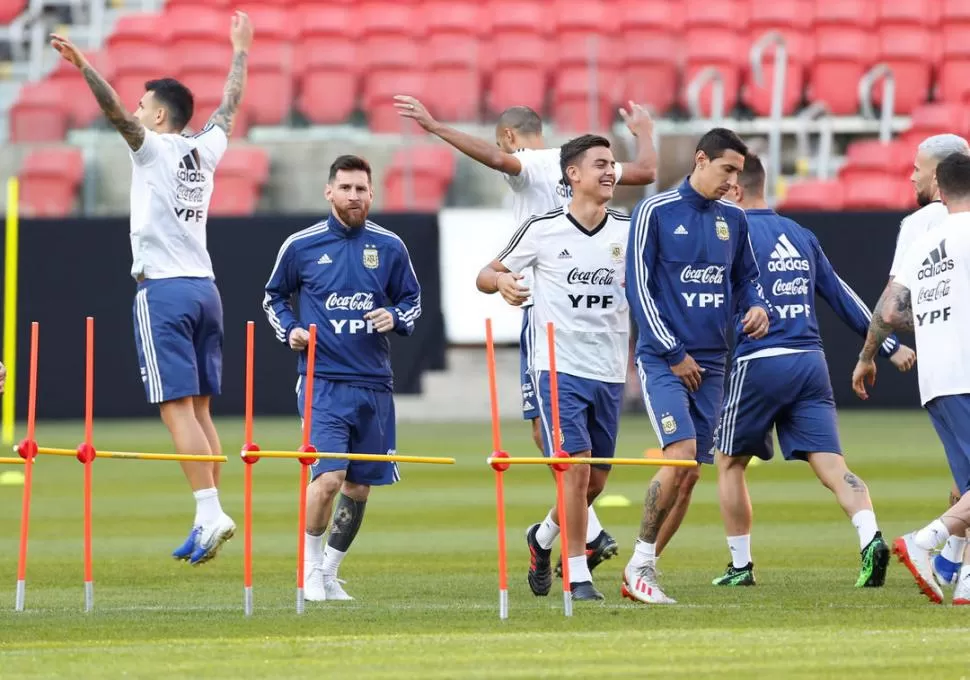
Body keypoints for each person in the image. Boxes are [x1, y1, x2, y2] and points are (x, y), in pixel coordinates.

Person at [395, 95, 657, 576]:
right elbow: (643, 170)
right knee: (563, 447)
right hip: (557, 315)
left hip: (544, 308)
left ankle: (553, 533)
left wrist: (435, 127)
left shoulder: (536, 164)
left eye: (504, 143)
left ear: (511, 136)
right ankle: (584, 537)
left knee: (552, 441)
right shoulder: (591, 166)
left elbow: (496, 159)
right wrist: (643, 131)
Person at [49, 13, 252, 565]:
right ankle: (206, 514)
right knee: (202, 409)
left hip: (162, 290)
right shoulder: (206, 149)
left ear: (159, 115)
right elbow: (228, 105)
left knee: (174, 408)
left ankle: (210, 511)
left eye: (145, 106)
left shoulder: (153, 148)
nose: (136, 111)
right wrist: (240, 50)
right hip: (207, 289)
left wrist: (85, 65)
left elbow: (115, 113)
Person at [713, 155, 916, 588]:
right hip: (810, 363)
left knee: (729, 462)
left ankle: (740, 567)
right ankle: (869, 539)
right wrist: (891, 346)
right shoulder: (800, 234)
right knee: (832, 465)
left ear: (735, 189)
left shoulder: (727, 234)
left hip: (760, 361)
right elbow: (842, 296)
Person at [476, 135, 631, 601]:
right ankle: (578, 575)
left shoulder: (630, 230)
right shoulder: (543, 228)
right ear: (573, 175)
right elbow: (485, 274)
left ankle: (541, 539)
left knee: (595, 481)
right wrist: (502, 281)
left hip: (609, 368)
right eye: (600, 164)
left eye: (613, 164)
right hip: (557, 366)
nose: (610, 172)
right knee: (575, 469)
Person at [622, 128, 771, 604]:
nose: (732, 181)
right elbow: (638, 288)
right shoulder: (655, 212)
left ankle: (646, 569)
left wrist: (757, 306)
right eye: (726, 170)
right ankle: (638, 562)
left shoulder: (734, 218)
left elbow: (746, 279)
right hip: (665, 359)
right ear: (701, 160)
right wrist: (672, 352)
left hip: (713, 363)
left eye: (738, 173)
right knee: (680, 454)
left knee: (690, 474)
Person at [263, 155, 421, 602]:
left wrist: (393, 316)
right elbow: (273, 297)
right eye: (346, 188)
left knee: (359, 486)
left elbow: (412, 300)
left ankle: (330, 572)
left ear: (372, 194)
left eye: (361, 189)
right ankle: (309, 570)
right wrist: (289, 329)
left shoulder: (389, 246)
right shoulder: (302, 245)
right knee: (329, 477)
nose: (354, 196)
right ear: (329, 192)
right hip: (322, 382)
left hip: (374, 383)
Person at [855, 151, 970, 606]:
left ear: (940, 191)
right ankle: (924, 541)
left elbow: (888, 311)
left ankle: (965, 583)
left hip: (936, 379)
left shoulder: (926, 241)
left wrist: (935, 319)